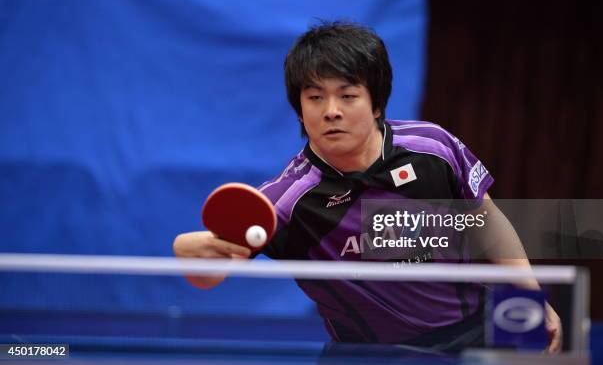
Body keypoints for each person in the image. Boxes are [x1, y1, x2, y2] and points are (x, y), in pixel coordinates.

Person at [173, 21, 561, 353]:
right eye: (315, 97)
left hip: (472, 337)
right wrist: (190, 252)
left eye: (347, 95)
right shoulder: (290, 200)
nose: (331, 110)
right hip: (368, 355)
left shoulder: (433, 148)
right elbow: (211, 274)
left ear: (376, 104)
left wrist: (530, 296)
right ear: (300, 110)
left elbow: (487, 223)